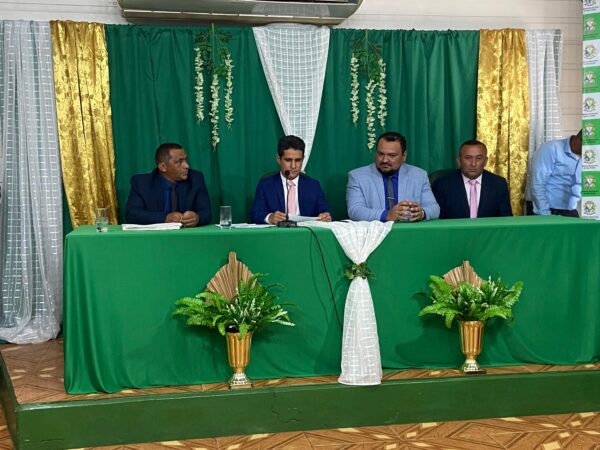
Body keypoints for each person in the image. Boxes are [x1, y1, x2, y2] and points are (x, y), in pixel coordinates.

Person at [346, 131, 439, 222]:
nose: (385, 160)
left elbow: (434, 209)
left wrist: (422, 213)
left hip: (408, 230)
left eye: (392, 155)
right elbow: (355, 211)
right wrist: (386, 215)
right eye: (380, 154)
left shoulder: (419, 176)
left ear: (404, 156)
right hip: (375, 231)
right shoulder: (357, 177)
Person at [250, 135, 332, 225]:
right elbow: (255, 214)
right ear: (278, 159)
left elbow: (325, 211)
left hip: (306, 232)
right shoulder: (266, 184)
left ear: (303, 159)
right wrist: (270, 217)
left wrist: (325, 216)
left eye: (298, 160)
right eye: (288, 160)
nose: (293, 166)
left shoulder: (313, 186)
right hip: (278, 232)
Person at [125, 143, 211, 226]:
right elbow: (132, 215)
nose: (187, 166)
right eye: (179, 161)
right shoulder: (142, 183)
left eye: (186, 160)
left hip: (186, 234)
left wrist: (197, 218)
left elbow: (206, 213)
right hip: (155, 235)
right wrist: (165, 218)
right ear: (163, 167)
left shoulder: (196, 179)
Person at [432, 139, 512, 219]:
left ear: (485, 161)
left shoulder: (498, 184)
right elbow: (437, 219)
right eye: (468, 158)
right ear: (459, 161)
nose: (473, 164)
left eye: (478, 158)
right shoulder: (442, 185)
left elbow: (506, 219)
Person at [531, 131, 582, 217]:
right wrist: (545, 213)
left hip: (571, 210)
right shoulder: (552, 148)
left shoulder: (590, 157)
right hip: (549, 210)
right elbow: (538, 183)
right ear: (580, 139)